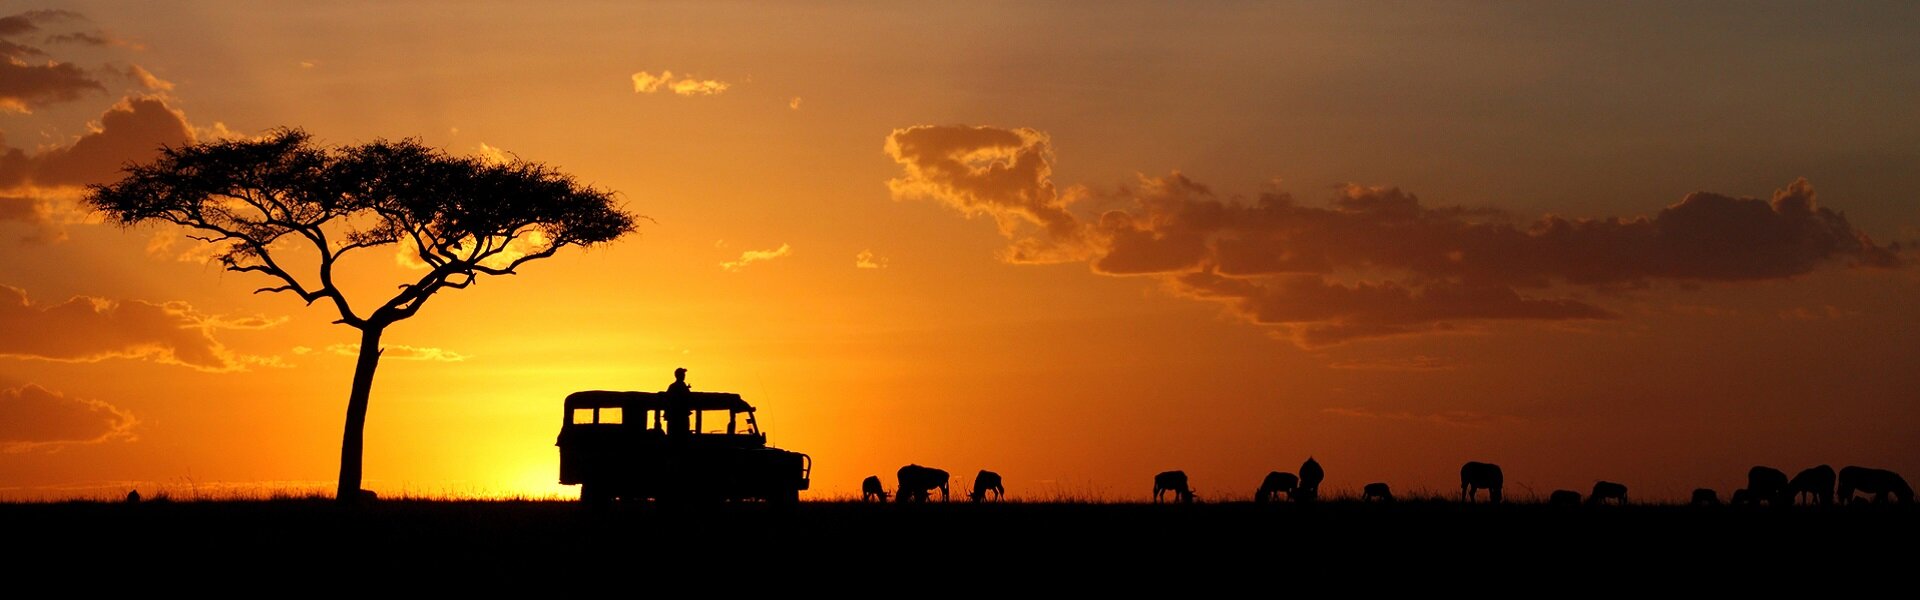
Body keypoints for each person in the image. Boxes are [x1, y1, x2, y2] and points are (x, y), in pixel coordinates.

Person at [664, 367, 692, 438]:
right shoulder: (680, 387)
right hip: (680, 416)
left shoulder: (672, 386)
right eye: (683, 374)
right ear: (678, 375)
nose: (684, 376)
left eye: (684, 375)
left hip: (674, 417)